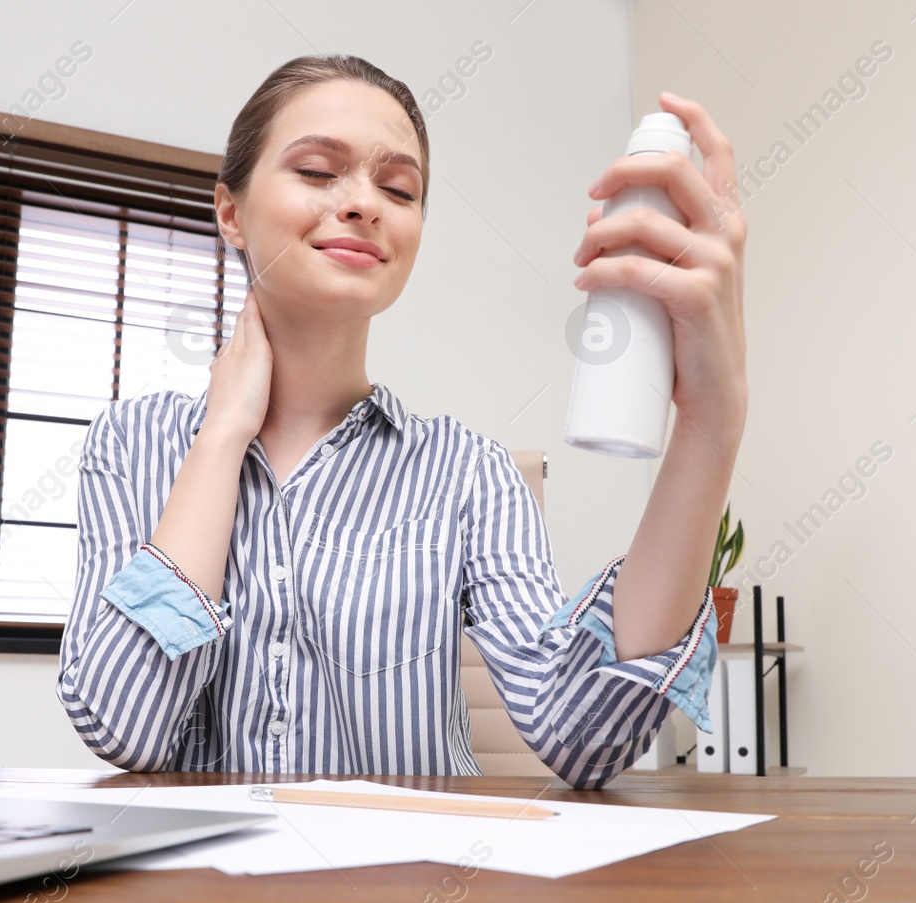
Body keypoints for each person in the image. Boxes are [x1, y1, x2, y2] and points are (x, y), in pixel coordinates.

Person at [56, 55, 748, 789]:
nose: (364, 204)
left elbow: (583, 735)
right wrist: (223, 434)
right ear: (229, 211)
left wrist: (711, 422)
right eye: (320, 172)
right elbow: (125, 724)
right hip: (202, 898)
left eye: (398, 188)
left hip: (411, 894)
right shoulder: (134, 444)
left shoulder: (468, 471)